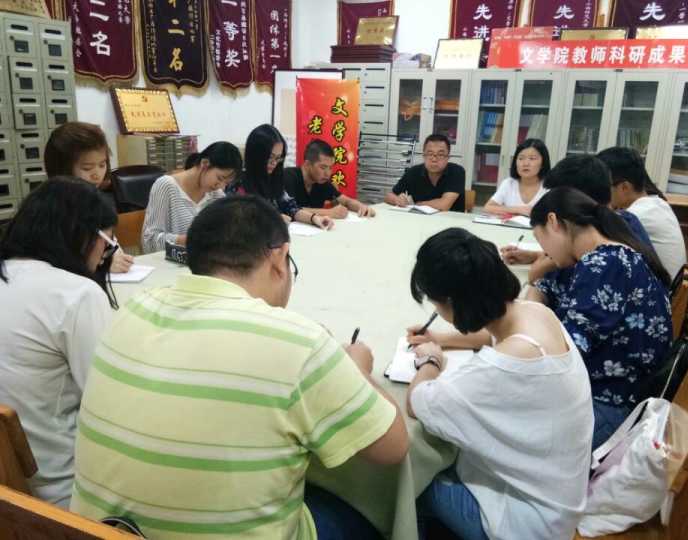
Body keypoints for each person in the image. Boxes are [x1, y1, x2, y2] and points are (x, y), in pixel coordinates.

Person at [71, 195, 409, 539]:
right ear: (279, 258)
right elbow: (393, 447)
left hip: (94, 532)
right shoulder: (297, 342)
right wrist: (356, 369)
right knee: (365, 514)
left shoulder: (132, 309)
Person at [405, 228, 593, 540]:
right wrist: (441, 338)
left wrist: (431, 361)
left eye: (436, 304)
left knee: (410, 480)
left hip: (524, 521)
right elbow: (492, 334)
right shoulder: (535, 313)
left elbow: (418, 401)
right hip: (556, 497)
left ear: (450, 302)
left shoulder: (505, 364)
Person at [0, 177, 117, 508]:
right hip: (58, 490)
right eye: (107, 243)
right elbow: (107, 401)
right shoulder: (76, 294)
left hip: (7, 477)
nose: (104, 256)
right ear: (82, 235)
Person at [527, 187, 672, 449]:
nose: (544, 252)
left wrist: (521, 328)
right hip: (609, 395)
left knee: (498, 428)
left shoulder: (605, 265)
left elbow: (563, 353)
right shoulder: (601, 256)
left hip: (608, 408)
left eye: (541, 241)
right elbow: (544, 289)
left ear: (553, 221)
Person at [501, 155, 654, 271]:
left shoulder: (599, 244)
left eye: (558, 197)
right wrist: (534, 256)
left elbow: (537, 274)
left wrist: (543, 264)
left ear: (573, 199)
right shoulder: (622, 220)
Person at [45, 121, 134, 273]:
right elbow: (60, 265)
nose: (97, 174)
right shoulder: (53, 209)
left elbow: (110, 245)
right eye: (87, 168)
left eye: (102, 165)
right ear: (63, 170)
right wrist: (103, 265)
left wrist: (117, 257)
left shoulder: (96, 201)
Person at [597, 146, 686, 279]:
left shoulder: (636, 216)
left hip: (663, 289)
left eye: (605, 186)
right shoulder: (656, 202)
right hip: (671, 284)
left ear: (624, 187)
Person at [142, 141, 241, 253]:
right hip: (167, 262)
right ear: (204, 164)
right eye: (219, 178)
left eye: (226, 183)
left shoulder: (217, 195)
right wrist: (186, 240)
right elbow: (149, 241)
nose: (221, 187)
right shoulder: (166, 186)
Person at [230, 124, 334, 230]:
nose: (274, 163)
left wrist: (314, 218)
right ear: (256, 155)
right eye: (270, 157)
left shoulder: (273, 178)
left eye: (278, 158)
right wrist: (272, 219)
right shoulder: (238, 183)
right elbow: (239, 219)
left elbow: (291, 207)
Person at [284, 139, 375, 218]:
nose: (328, 173)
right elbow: (289, 209)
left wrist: (361, 207)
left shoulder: (322, 182)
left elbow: (346, 201)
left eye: (330, 168)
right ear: (307, 164)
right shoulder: (288, 176)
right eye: (323, 167)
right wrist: (329, 213)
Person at [385, 134, 465, 212]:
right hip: (420, 219)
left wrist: (416, 205)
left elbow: (444, 205)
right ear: (424, 156)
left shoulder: (457, 171)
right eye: (430, 154)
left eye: (440, 155)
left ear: (448, 158)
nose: (434, 159)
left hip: (450, 219)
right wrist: (397, 200)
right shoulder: (413, 172)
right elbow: (389, 196)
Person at [484, 138, 551, 216]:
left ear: (543, 163)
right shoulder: (509, 183)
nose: (525, 163)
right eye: (521, 158)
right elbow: (488, 208)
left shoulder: (549, 187)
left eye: (532, 158)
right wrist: (517, 210)